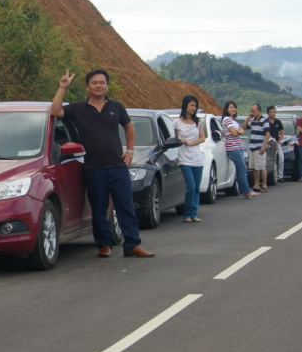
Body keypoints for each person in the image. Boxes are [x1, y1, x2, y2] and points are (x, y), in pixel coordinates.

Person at [51, 69, 155, 258]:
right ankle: (104, 245)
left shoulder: (117, 106)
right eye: (94, 83)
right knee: (98, 208)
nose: (98, 86)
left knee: (126, 206)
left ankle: (132, 244)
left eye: (102, 82)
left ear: (107, 85)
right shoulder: (77, 108)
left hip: (118, 166)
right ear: (87, 86)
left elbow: (128, 126)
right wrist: (62, 88)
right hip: (93, 168)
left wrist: (130, 151)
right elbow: (55, 111)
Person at [174, 95, 205, 222]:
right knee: (191, 186)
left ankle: (194, 213)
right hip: (184, 159)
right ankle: (187, 213)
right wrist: (180, 140)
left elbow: (203, 138)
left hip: (197, 158)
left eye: (195, 106)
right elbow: (175, 139)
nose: (194, 108)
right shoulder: (177, 122)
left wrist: (190, 143)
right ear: (185, 105)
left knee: (197, 187)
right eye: (191, 105)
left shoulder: (198, 122)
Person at [221, 101, 257, 199]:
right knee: (242, 169)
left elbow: (242, 129)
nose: (233, 109)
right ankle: (247, 191)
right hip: (233, 148)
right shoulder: (227, 119)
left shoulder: (233, 121)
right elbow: (235, 133)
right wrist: (240, 132)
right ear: (226, 109)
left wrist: (247, 120)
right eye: (231, 107)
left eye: (235, 107)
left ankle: (244, 191)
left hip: (238, 147)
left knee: (241, 169)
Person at [242, 104, 271, 192]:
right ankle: (256, 184)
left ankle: (264, 184)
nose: (252, 113)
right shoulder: (253, 121)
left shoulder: (264, 121)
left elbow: (267, 134)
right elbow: (243, 128)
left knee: (262, 166)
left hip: (259, 146)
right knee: (255, 167)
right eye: (251, 111)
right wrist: (248, 118)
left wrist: (264, 146)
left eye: (254, 111)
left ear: (259, 111)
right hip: (252, 147)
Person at [266, 107, 285, 182]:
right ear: (268, 113)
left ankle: (280, 176)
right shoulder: (266, 122)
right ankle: (272, 175)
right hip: (268, 143)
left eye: (274, 112)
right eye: (271, 112)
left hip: (276, 143)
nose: (273, 114)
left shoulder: (278, 122)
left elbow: (282, 132)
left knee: (281, 159)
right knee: (270, 160)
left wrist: (279, 141)